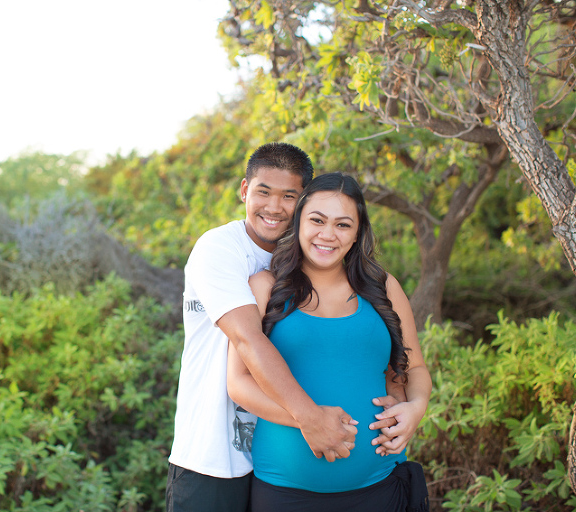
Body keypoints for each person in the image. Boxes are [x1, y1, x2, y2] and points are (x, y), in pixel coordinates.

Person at [166, 145, 413, 512]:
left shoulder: (303, 257)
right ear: (244, 189)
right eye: (263, 191)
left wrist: (404, 401)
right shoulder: (220, 249)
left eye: (288, 196)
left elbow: (376, 355)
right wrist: (311, 419)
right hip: (213, 458)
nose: (273, 206)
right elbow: (248, 340)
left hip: (265, 458)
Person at [227, 172, 432, 511]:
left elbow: (416, 367)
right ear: (299, 224)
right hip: (285, 492)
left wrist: (417, 408)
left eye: (342, 225)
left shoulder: (384, 287)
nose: (327, 234)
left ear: (357, 234)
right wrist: (311, 421)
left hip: (381, 485)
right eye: (317, 220)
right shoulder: (264, 287)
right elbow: (239, 384)